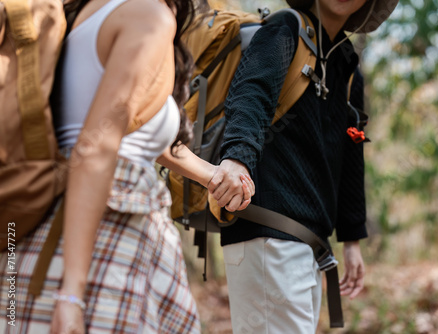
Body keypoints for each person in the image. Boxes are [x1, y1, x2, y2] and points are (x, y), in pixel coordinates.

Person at [0, 0, 253, 333]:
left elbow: (131, 127)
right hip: (103, 230)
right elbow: (96, 148)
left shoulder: (84, 12)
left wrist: (211, 175)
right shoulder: (148, 17)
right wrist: (73, 293)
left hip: (62, 221)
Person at [207, 0, 398, 332]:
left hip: (308, 245)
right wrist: (237, 158)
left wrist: (351, 240)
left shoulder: (349, 67)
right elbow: (252, 93)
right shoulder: (285, 29)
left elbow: (353, 149)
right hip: (266, 233)